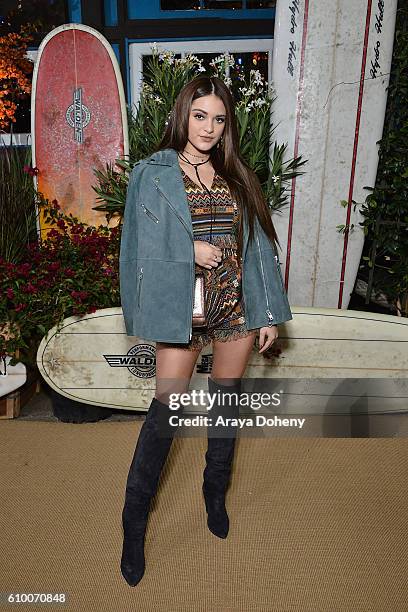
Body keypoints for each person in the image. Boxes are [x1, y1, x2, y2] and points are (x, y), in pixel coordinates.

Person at [119, 75, 293, 586]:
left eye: (219, 119)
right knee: (164, 414)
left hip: (233, 306)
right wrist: (187, 252)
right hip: (182, 307)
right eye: (200, 116)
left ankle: (214, 492)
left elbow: (258, 250)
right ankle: (133, 525)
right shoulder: (152, 174)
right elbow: (134, 250)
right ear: (183, 115)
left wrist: (265, 315)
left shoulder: (237, 175)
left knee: (225, 406)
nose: (209, 128)